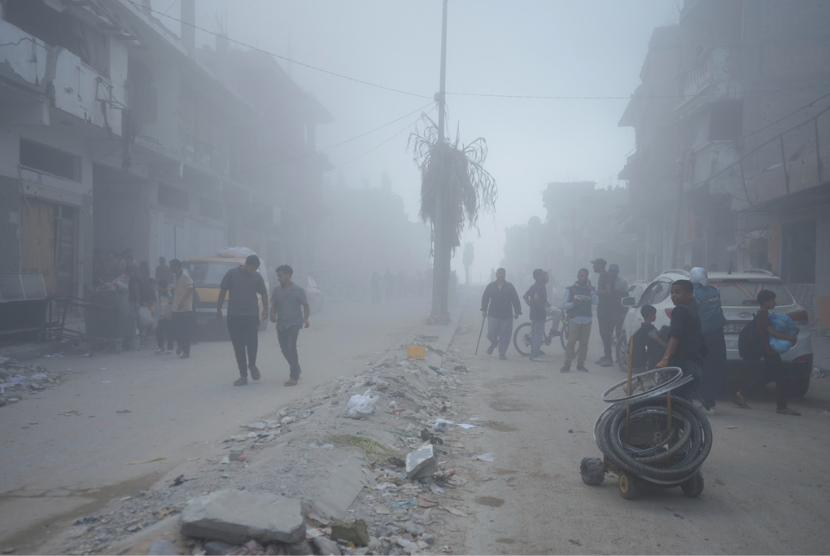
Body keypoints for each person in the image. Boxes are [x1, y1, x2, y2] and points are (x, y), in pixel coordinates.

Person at [733, 290, 801, 416]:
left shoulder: (763, 315)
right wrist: (789, 338)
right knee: (782, 376)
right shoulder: (762, 317)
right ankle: (781, 406)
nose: (775, 303)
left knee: (769, 375)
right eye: (773, 301)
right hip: (769, 351)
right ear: (765, 302)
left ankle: (743, 393)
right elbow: (773, 333)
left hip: (769, 350)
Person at [217, 255, 268, 386]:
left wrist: (265, 309)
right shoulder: (232, 274)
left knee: (252, 342)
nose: (253, 272)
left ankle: (252, 365)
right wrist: (218, 309)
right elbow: (223, 290)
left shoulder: (257, 277)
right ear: (245, 264)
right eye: (251, 269)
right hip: (234, 315)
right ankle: (243, 376)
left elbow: (263, 293)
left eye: (255, 269)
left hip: (251, 315)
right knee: (238, 346)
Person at [655, 280, 706, 399]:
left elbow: (675, 336)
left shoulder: (679, 310)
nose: (673, 295)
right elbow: (702, 345)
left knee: (664, 402)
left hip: (680, 365)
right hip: (693, 367)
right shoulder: (694, 314)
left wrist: (665, 359)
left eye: (677, 292)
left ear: (689, 294)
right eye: (672, 292)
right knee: (681, 404)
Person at [690, 267, 727, 413]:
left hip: (701, 336)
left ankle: (699, 401)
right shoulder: (714, 290)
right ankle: (710, 402)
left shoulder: (692, 294)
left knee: (699, 367)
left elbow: (691, 316)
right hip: (717, 335)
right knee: (715, 366)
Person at [270, 265, 310, 386]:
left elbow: (306, 305)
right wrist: (272, 314)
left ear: (288, 275)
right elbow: (274, 304)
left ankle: (293, 377)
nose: (278, 278)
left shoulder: (298, 290)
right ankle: (296, 368)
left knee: (291, 347)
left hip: (294, 323)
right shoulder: (277, 290)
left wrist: (305, 319)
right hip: (281, 324)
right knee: (284, 349)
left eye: (280, 275)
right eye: (278, 275)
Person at [561, 268, 599, 373]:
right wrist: (573, 304)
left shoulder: (590, 289)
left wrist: (591, 290)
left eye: (585, 276)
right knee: (571, 343)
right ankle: (567, 364)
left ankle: (580, 364)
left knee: (584, 344)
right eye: (581, 276)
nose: (583, 278)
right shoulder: (571, 289)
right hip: (575, 319)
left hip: (587, 320)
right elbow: (564, 305)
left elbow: (596, 302)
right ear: (578, 276)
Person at [481, 268, 522, 360]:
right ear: (496, 275)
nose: (501, 275)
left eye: (503, 273)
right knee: (491, 332)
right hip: (493, 314)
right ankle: (494, 343)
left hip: (506, 315)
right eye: (499, 273)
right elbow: (485, 298)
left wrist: (517, 311)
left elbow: (515, 299)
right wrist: (484, 310)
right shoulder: (491, 286)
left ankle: (502, 353)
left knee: (505, 335)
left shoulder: (509, 286)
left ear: (505, 275)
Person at [631, 304, 668, 372]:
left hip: (651, 353)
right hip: (652, 354)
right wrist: (666, 346)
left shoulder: (646, 326)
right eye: (654, 315)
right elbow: (655, 338)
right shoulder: (647, 327)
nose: (655, 316)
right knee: (653, 370)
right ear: (650, 315)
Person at [169, 259, 193, 359]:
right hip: (175, 307)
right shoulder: (175, 277)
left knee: (185, 330)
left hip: (185, 308)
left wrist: (183, 300)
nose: (170, 268)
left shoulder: (185, 276)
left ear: (176, 266)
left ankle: (186, 352)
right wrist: (173, 298)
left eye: (171, 266)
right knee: (173, 327)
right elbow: (176, 289)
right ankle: (180, 344)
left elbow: (190, 288)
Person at [523, 269, 548, 362]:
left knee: (534, 334)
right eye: (542, 275)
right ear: (538, 277)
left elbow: (525, 296)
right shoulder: (539, 287)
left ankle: (532, 354)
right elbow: (536, 297)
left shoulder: (533, 286)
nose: (544, 276)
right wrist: (542, 307)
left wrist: (531, 305)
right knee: (538, 335)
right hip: (539, 313)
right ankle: (535, 355)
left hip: (533, 313)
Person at [155, 279, 174, 354]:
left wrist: (169, 301)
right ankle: (161, 347)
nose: (158, 287)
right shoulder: (161, 293)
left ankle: (169, 348)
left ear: (161, 286)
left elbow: (172, 299)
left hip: (167, 316)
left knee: (169, 332)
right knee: (158, 332)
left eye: (158, 286)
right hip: (162, 316)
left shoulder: (167, 292)